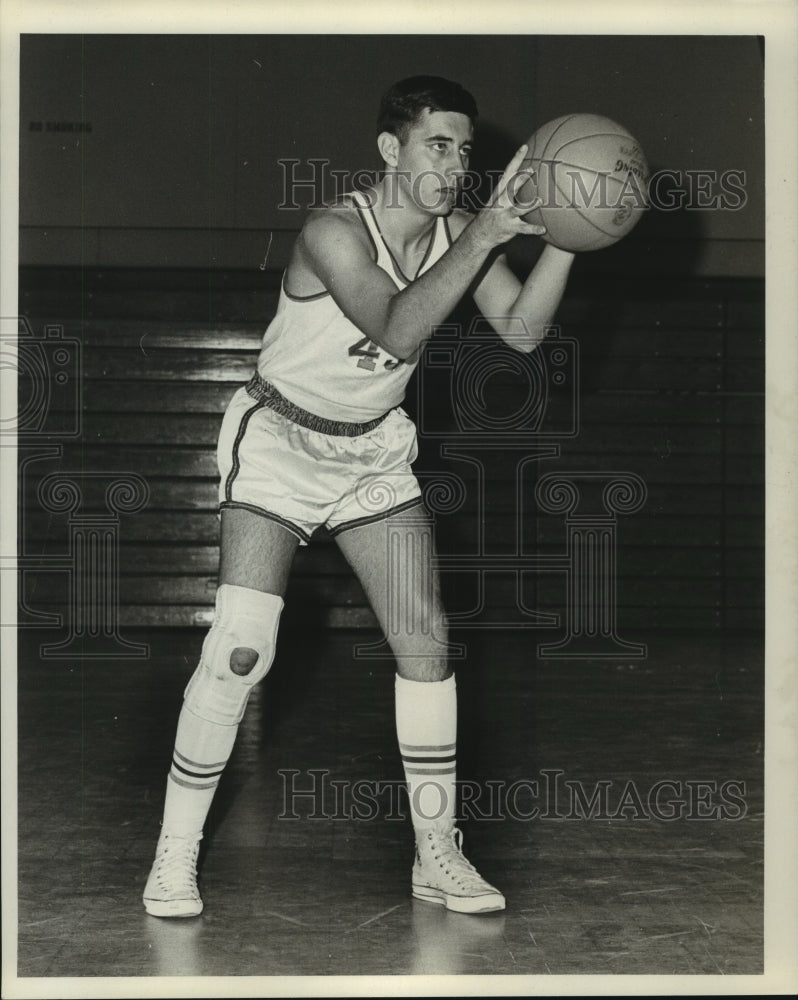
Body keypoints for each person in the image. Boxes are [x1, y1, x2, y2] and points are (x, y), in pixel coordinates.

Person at [143, 75, 575, 918]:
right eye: (436, 146)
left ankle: (436, 854)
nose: (454, 166)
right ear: (390, 150)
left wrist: (568, 236)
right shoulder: (333, 231)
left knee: (427, 642)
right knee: (239, 648)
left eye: (464, 150)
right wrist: (483, 234)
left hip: (371, 451)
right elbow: (401, 327)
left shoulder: (455, 228)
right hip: (280, 441)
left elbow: (521, 332)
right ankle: (174, 854)